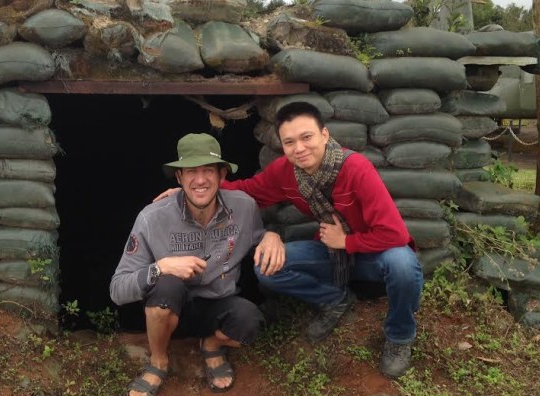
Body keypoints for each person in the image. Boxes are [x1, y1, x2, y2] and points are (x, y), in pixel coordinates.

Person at [157, 102, 423, 379]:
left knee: (403, 262)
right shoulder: (286, 172)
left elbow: (396, 235)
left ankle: (400, 337)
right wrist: (195, 187)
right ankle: (336, 299)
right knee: (267, 269)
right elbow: (248, 192)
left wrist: (346, 242)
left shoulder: (356, 169)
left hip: (374, 255)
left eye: (306, 137)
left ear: (325, 134)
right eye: (289, 142)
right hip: (331, 251)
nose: (299, 148)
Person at [110, 133, 283, 396]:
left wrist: (271, 236)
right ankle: (158, 362)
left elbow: (258, 238)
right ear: (178, 178)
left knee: (251, 322)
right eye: (191, 172)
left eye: (207, 171)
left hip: (217, 306)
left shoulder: (244, 207)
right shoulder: (152, 217)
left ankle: (212, 345)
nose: (200, 180)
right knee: (167, 286)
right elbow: (117, 290)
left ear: (222, 174)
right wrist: (161, 267)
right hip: (168, 311)